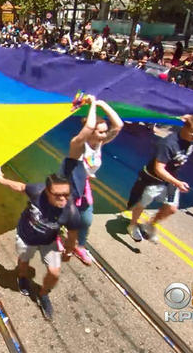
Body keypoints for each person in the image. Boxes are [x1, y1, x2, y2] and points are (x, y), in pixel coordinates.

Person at [0, 172, 81, 320]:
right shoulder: (37, 191)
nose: (62, 199)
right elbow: (21, 187)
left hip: (48, 241)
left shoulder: (71, 212)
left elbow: (72, 236)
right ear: (47, 191)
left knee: (54, 273)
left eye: (66, 194)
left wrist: (68, 251)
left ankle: (43, 294)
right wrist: (2, 180)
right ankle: (22, 277)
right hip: (26, 236)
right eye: (57, 194)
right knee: (23, 262)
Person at [126, 115, 193, 242]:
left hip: (170, 179)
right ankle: (133, 225)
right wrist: (177, 183)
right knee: (141, 204)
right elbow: (159, 169)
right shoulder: (168, 143)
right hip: (152, 179)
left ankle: (150, 224)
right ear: (184, 128)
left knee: (171, 208)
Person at [60, 95, 123, 265]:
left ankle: (79, 246)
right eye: (101, 131)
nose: (105, 134)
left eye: (104, 131)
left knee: (86, 220)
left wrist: (103, 104)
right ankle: (56, 236)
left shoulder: (99, 143)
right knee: (63, 216)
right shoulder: (78, 144)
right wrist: (93, 104)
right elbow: (88, 126)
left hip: (83, 185)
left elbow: (118, 126)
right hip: (67, 186)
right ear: (91, 133)